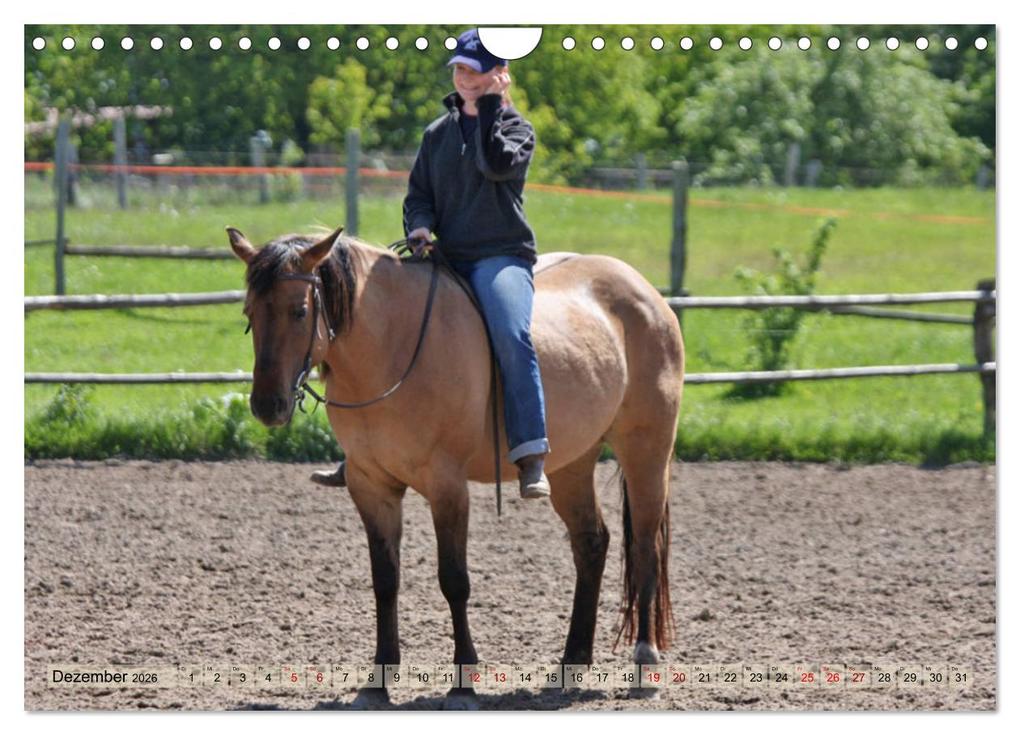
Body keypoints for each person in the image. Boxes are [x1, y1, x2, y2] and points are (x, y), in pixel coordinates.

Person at [312, 28, 551, 499]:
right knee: (378, 328)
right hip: (442, 257)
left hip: (499, 257)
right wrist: (419, 227)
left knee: (511, 331)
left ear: (500, 75)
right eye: (460, 68)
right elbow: (418, 195)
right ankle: (363, 451)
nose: (464, 77)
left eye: (475, 70)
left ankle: (530, 452)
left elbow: (497, 166)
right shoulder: (436, 135)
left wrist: (487, 111)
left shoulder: (516, 129)